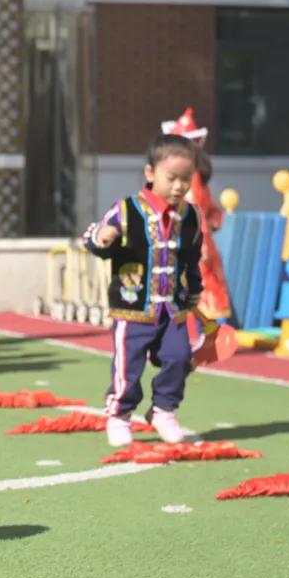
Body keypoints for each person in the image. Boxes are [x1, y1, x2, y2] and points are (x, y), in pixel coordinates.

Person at [83, 134, 204, 447]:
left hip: (173, 308)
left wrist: (194, 293)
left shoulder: (191, 216)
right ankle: (119, 415)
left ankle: (164, 409)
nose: (179, 187)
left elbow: (192, 259)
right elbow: (93, 241)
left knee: (180, 357)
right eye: (172, 178)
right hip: (132, 307)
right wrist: (103, 237)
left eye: (186, 179)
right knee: (128, 365)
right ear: (150, 173)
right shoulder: (125, 210)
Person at [161, 107, 231, 320]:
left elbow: (201, 209)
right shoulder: (186, 177)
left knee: (197, 289)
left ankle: (206, 337)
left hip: (188, 240)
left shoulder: (189, 178)